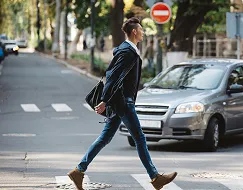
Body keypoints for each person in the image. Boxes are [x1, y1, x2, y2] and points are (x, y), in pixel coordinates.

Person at [67, 17, 177, 190]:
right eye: (140, 29)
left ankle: (79, 170)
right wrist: (104, 100)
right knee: (140, 138)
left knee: (105, 138)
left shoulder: (129, 50)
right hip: (123, 102)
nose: (142, 32)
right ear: (134, 32)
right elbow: (113, 76)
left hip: (120, 102)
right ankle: (155, 177)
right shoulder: (127, 52)